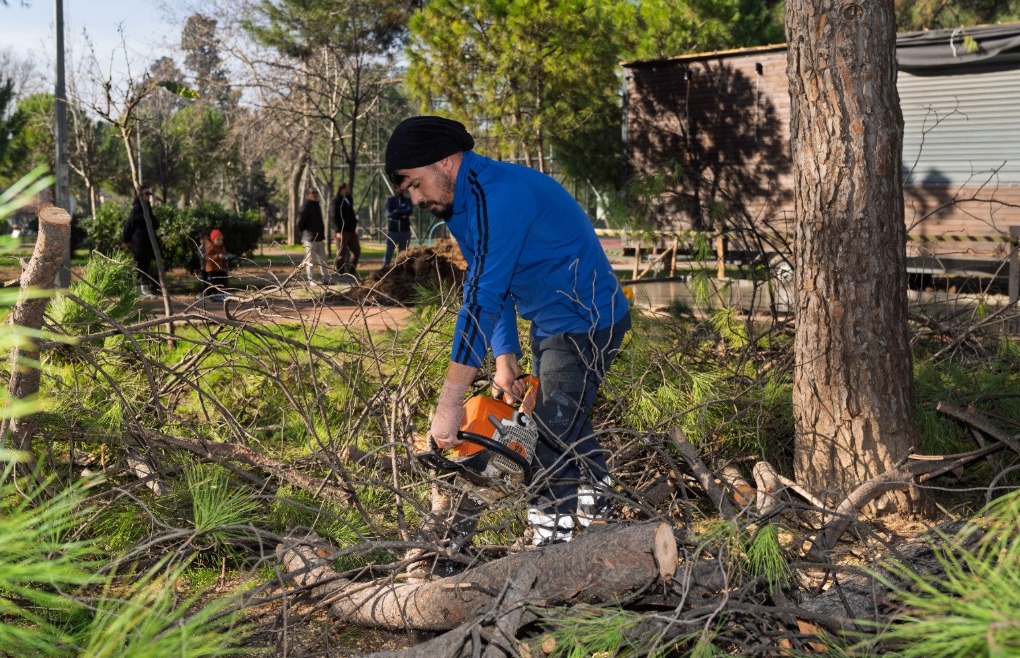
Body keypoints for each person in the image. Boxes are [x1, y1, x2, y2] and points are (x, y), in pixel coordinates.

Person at [386, 116, 631, 548]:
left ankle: (550, 543)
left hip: (587, 321)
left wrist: (450, 402)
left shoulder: (501, 196)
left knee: (548, 434)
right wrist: (504, 357)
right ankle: (601, 505)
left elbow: (480, 299)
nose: (416, 198)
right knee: (563, 415)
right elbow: (488, 284)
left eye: (416, 184)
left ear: (445, 161)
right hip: (551, 321)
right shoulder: (461, 204)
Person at [121, 186, 161, 298]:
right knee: (140, 267)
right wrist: (127, 241)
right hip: (138, 244)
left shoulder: (147, 208)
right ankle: (139, 291)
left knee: (145, 266)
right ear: (140, 195)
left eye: (149, 194)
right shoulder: (137, 208)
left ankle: (143, 290)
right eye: (146, 194)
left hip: (146, 244)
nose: (149, 196)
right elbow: (133, 225)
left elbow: (154, 223)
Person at [297, 187, 328, 284]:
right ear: (308, 195)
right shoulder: (305, 206)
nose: (315, 194)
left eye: (316, 193)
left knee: (323, 259)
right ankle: (311, 280)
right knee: (310, 260)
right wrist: (306, 232)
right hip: (310, 238)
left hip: (319, 238)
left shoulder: (317, 205)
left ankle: (326, 279)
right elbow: (299, 222)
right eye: (313, 193)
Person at [331, 182, 360, 275]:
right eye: (347, 188)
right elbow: (334, 216)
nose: (349, 190)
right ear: (342, 189)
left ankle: (352, 271)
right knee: (341, 253)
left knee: (356, 251)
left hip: (351, 231)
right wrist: (337, 231)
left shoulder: (349, 199)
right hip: (342, 231)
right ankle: (339, 272)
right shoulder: (336, 201)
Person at [382, 188, 413, 269]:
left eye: (401, 188)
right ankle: (385, 269)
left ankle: (401, 270)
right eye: (398, 188)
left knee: (403, 254)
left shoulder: (407, 200)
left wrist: (396, 211)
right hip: (393, 232)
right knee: (389, 252)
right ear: (395, 189)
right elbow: (389, 213)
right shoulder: (390, 200)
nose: (400, 189)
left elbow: (409, 211)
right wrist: (402, 215)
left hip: (405, 232)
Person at [203, 229, 229, 301]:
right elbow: (208, 257)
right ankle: (210, 295)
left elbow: (224, 254)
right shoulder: (210, 247)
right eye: (218, 239)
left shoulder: (221, 247)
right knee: (212, 283)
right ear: (213, 239)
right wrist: (217, 256)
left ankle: (219, 295)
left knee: (221, 282)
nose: (220, 241)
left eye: (221, 239)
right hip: (212, 269)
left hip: (219, 268)